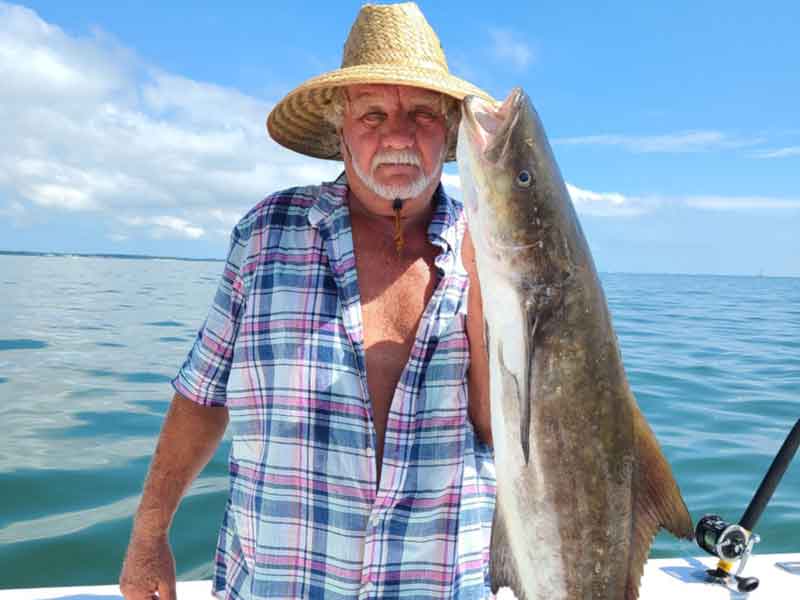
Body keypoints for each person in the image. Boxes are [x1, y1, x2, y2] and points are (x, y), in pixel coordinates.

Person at [120, 3, 496, 599]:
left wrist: (489, 277)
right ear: (340, 127)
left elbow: (500, 428)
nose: (398, 134)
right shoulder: (264, 234)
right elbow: (200, 397)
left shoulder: (498, 249)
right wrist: (147, 538)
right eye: (374, 113)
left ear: (448, 129)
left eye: (421, 113)